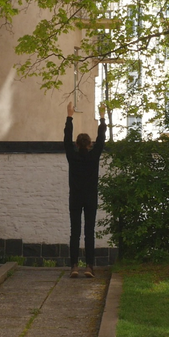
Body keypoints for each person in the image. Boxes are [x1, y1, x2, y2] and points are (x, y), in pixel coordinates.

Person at [64, 101, 107, 278]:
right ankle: (89, 266)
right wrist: (102, 117)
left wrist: (69, 116)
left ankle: (74, 266)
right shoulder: (93, 157)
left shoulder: (72, 157)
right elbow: (101, 139)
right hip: (90, 198)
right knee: (89, 232)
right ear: (89, 144)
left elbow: (66, 139)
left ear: (77, 144)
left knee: (75, 232)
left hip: (75, 198)